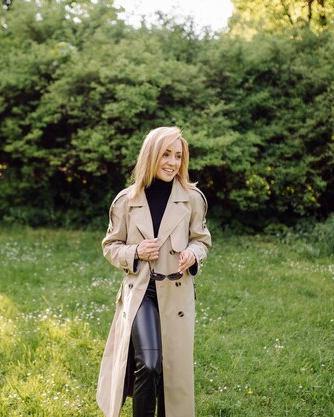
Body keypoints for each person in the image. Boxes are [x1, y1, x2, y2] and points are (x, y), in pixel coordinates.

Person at [97, 127, 212, 417]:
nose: (172, 163)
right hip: (141, 292)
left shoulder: (192, 199)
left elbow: (202, 240)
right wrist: (135, 252)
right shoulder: (126, 200)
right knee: (148, 364)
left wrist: (192, 254)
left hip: (177, 295)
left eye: (178, 156)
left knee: (171, 372)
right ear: (151, 155)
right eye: (166, 155)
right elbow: (111, 246)